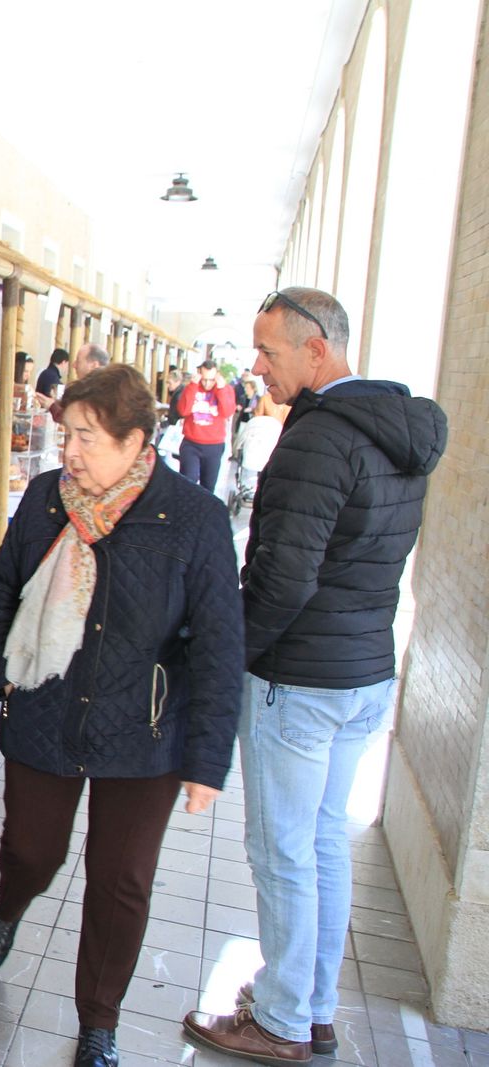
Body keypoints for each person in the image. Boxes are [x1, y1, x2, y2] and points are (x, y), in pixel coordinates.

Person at [184, 288, 448, 1066]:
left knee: (283, 853)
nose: (254, 366)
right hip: (365, 673)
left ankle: (282, 1017)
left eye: (268, 351)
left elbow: (283, 579)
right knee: (323, 844)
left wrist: (234, 656)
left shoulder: (317, 440)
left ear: (317, 350)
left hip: (298, 679)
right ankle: (312, 1004)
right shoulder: (401, 434)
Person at [0, 364, 243, 1067]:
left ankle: (99, 1020)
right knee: (34, 849)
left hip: (144, 732)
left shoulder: (193, 517)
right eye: (67, 434)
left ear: (135, 441)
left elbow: (220, 643)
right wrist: (3, 672)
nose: (70, 451)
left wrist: (208, 760)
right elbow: (2, 586)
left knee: (120, 880)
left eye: (88, 438)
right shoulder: (45, 500)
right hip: (46, 711)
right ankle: (11, 900)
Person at [174, 359, 237, 492]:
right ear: (199, 375)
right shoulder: (192, 387)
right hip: (191, 443)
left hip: (214, 445)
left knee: (208, 486)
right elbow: (183, 411)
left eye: (211, 380)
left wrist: (221, 389)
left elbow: (227, 412)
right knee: (187, 482)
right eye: (204, 379)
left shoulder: (226, 389)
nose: (207, 383)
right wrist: (192, 386)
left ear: (217, 376)